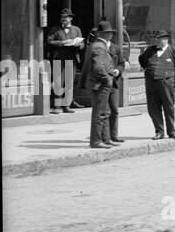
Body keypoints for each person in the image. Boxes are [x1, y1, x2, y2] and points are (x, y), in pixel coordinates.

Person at [139, 30, 175, 139]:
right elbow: (142, 59)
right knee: (153, 108)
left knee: (169, 107)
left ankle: (171, 132)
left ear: (165, 39)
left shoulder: (173, 51)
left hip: (166, 83)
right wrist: (149, 70)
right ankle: (159, 132)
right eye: (156, 38)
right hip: (151, 83)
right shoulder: (150, 50)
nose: (157, 41)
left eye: (159, 38)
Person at [80, 20, 121, 149]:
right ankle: (96, 141)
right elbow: (98, 67)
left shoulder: (96, 45)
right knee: (100, 113)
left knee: (105, 112)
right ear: (105, 34)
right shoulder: (99, 46)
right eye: (109, 33)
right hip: (101, 84)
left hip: (100, 83)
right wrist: (107, 79)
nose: (111, 35)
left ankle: (106, 138)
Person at [45, 9, 85, 113]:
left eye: (66, 17)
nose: (63, 19)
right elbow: (49, 42)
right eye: (62, 17)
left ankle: (67, 105)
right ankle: (57, 106)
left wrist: (78, 45)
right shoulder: (55, 29)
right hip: (59, 59)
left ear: (70, 18)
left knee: (69, 83)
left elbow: (82, 44)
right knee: (58, 82)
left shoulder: (76, 29)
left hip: (71, 59)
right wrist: (62, 42)